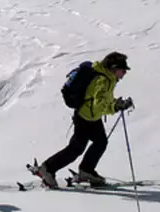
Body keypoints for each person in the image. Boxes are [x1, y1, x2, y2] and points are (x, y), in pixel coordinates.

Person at [37, 52, 133, 188]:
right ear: (114, 68)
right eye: (122, 70)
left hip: (90, 116)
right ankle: (48, 169)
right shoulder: (102, 80)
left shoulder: (107, 78)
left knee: (99, 143)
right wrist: (115, 107)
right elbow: (98, 106)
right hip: (86, 117)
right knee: (77, 148)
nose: (124, 73)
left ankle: (85, 170)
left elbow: (102, 101)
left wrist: (116, 104)